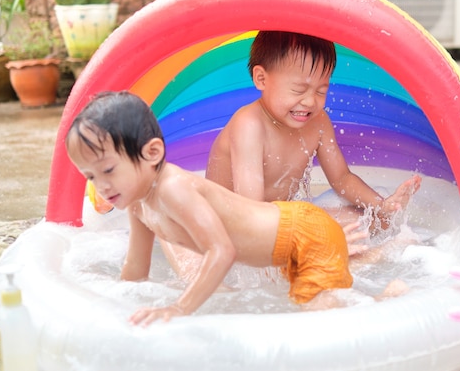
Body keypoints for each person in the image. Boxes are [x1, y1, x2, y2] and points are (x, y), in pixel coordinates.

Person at [65, 91, 368, 325]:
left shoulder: (173, 189)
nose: (101, 186)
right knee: (310, 304)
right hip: (286, 241)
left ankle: (389, 301)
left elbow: (222, 251)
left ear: (152, 152)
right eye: (90, 176)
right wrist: (112, 307)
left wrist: (180, 307)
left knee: (321, 319)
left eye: (108, 170)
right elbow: (135, 270)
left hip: (306, 233)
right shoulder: (140, 205)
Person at [206, 31, 422, 231]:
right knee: (327, 231)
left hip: (275, 221)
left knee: (370, 220)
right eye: (298, 90)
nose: (310, 101)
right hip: (232, 229)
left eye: (321, 91)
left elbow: (342, 179)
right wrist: (316, 235)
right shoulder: (249, 126)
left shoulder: (318, 122)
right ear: (261, 79)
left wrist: (383, 206)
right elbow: (250, 210)